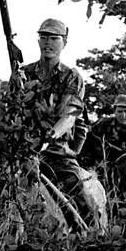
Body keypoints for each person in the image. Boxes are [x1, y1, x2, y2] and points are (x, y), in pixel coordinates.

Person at [19, 18, 96, 225]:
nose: (48, 43)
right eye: (43, 37)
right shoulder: (22, 74)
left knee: (83, 206)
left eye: (54, 38)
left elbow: (69, 116)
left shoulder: (72, 77)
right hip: (23, 152)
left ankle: (88, 242)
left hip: (55, 153)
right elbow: (11, 111)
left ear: (64, 43)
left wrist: (49, 136)